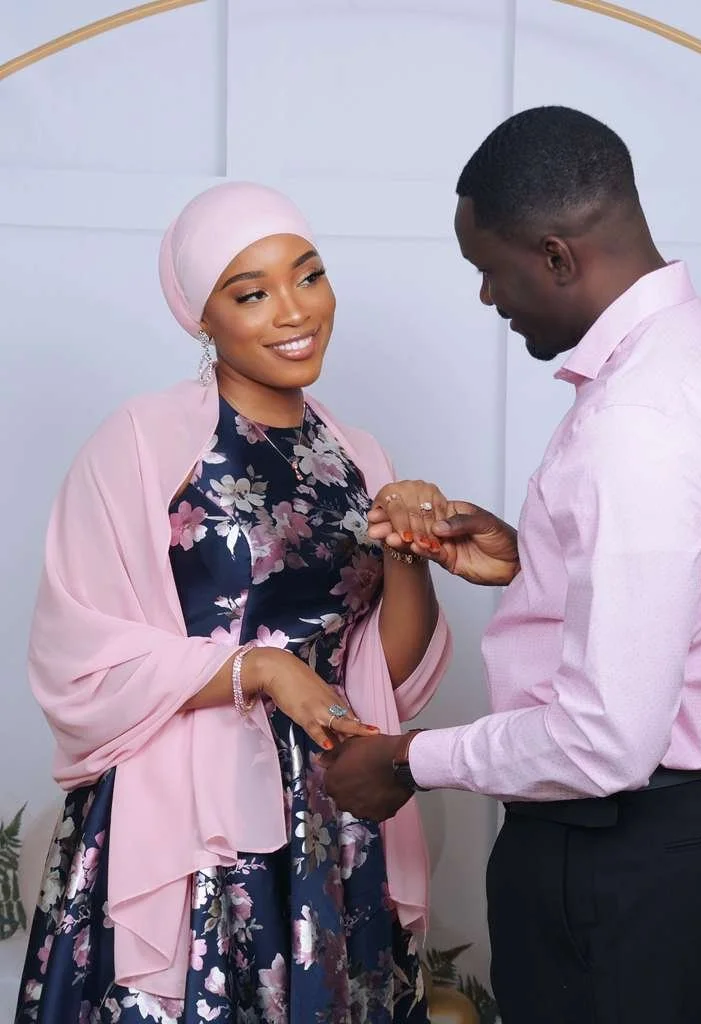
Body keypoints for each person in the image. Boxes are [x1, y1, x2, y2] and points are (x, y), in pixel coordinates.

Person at [324, 106, 701, 1024]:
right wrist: (539, 559)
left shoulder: (638, 419)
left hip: (621, 845)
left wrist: (409, 759)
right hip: (693, 832)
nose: (486, 297)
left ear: (554, 256)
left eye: (489, 269)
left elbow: (605, 739)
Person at [17, 181, 452, 1023]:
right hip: (189, 820)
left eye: (309, 276)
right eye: (251, 293)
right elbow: (78, 655)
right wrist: (262, 669)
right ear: (201, 318)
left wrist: (408, 550)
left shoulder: (358, 455)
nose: (294, 311)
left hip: (331, 808)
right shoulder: (143, 442)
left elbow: (383, 673)